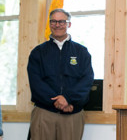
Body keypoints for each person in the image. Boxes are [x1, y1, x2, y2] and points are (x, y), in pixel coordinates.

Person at [27, 8, 94, 140]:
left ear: (69, 24)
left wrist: (68, 99)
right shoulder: (38, 52)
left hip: (72, 113)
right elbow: (36, 82)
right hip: (45, 112)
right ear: (50, 24)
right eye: (54, 21)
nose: (57, 25)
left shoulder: (81, 52)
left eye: (62, 22)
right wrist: (57, 101)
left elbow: (86, 80)